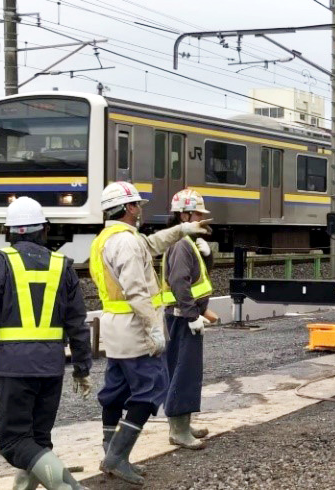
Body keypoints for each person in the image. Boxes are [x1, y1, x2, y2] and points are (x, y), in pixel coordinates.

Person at [0, 196, 92, 490]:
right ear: (43, 229)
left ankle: (68, 487)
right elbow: (77, 323)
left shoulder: (1, 264)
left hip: (14, 370)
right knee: (38, 440)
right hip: (51, 368)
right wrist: (82, 367)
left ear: (9, 232)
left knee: (14, 442)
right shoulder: (62, 266)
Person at [90, 181, 211, 486]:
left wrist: (182, 231)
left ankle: (112, 453)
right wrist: (154, 331)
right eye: (137, 206)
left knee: (115, 391)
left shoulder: (108, 238)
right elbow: (136, 292)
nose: (140, 210)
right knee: (150, 389)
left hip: (115, 327)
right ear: (129, 208)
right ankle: (116, 456)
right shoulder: (127, 243)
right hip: (134, 328)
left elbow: (153, 244)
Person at [161, 189, 217, 449]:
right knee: (182, 372)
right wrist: (192, 314)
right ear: (183, 215)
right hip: (182, 319)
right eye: (196, 214)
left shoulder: (187, 242)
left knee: (187, 371)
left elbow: (196, 276)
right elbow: (179, 283)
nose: (201, 220)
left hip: (184, 317)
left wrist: (207, 256)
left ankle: (183, 422)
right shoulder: (181, 244)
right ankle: (178, 429)